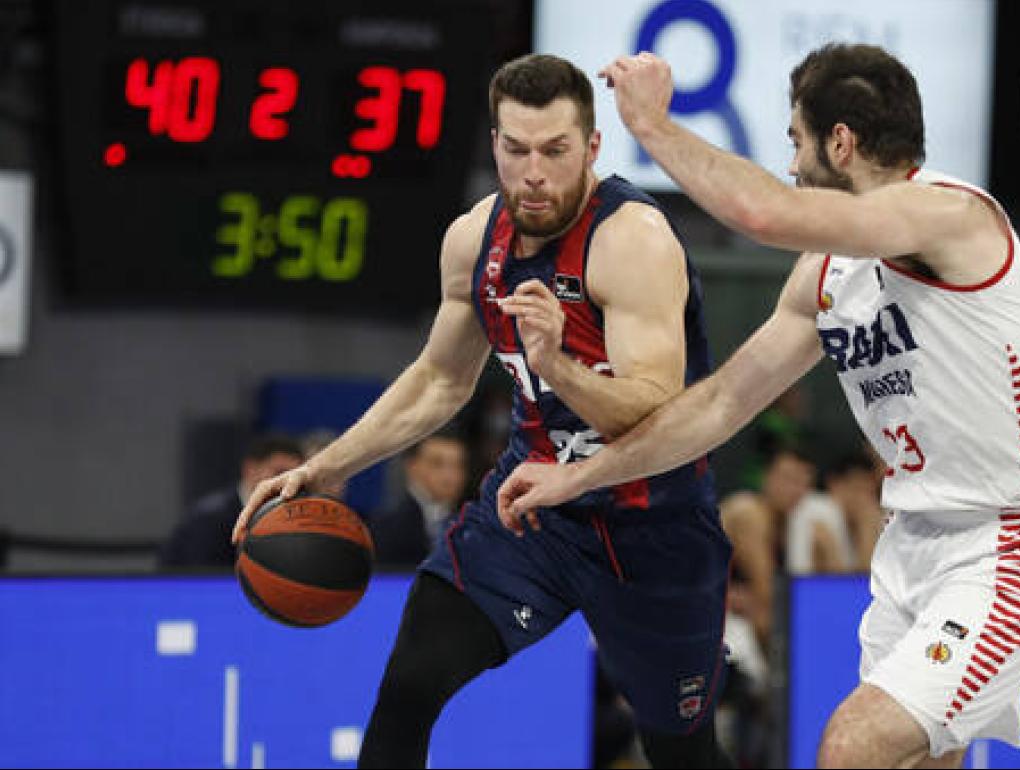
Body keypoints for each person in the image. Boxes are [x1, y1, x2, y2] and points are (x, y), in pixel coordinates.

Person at [499, 45, 1020, 769]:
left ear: (841, 142)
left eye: (796, 140)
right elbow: (721, 403)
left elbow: (765, 210)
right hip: (915, 539)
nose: (791, 163)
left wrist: (654, 126)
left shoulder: (952, 214)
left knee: (852, 748)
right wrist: (580, 475)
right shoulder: (825, 276)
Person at [232, 54, 733, 769]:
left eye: (556, 151)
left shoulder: (632, 241)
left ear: (591, 148)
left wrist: (558, 364)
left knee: (682, 753)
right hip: (532, 513)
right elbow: (440, 378)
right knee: (409, 684)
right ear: (494, 143)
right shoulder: (474, 238)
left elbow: (654, 412)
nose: (534, 172)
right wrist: (323, 468)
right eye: (517, 149)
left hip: (653, 526)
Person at [159, 433, 303, 568]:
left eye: (293, 476)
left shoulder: (290, 518)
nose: (286, 482)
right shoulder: (210, 519)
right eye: (279, 472)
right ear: (250, 469)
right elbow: (203, 582)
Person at [721, 447, 817, 646]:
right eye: (788, 479)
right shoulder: (749, 512)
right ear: (766, 476)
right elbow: (767, 592)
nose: (794, 490)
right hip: (705, 613)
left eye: (803, 483)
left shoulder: (793, 525)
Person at [368, 432, 469, 568]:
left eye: (458, 466)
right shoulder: (383, 529)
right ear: (412, 467)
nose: (449, 476)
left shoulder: (473, 528)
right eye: (437, 464)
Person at [790, 445, 886, 575]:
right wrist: (867, 529)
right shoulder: (819, 508)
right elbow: (855, 586)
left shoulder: (865, 518)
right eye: (857, 489)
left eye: (868, 492)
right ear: (834, 484)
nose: (863, 500)